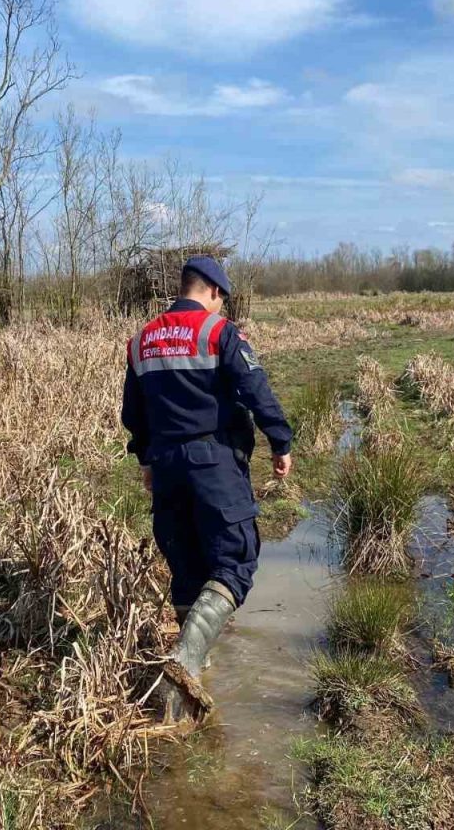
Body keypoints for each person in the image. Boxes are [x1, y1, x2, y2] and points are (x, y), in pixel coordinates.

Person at [121, 255, 293, 720]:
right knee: (236, 561)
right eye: (224, 299)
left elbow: (133, 416)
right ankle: (187, 660)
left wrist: (146, 459)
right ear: (214, 292)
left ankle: (188, 688)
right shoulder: (219, 333)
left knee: (187, 566)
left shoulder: (140, 342)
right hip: (213, 463)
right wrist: (281, 441)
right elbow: (256, 390)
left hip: (167, 468)